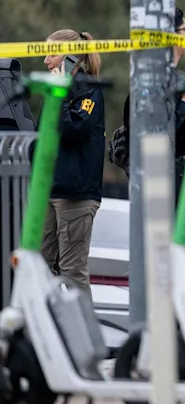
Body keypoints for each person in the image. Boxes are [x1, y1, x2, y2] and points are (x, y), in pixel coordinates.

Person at [41, 29, 106, 295]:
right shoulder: (57, 90)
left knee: (72, 272)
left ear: (70, 58)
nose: (46, 61)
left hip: (76, 193)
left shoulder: (87, 87)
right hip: (50, 189)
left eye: (52, 54)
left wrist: (59, 96)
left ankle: (83, 336)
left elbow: (74, 130)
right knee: (41, 267)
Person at [109, 8, 185, 197]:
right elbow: (159, 132)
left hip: (175, 178)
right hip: (156, 180)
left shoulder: (175, 79)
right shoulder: (153, 82)